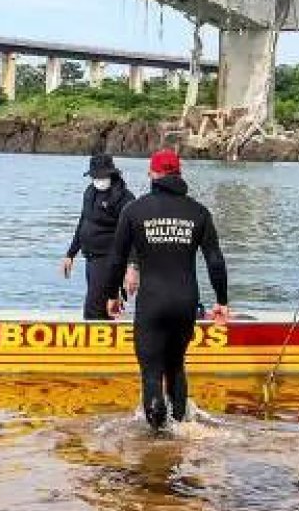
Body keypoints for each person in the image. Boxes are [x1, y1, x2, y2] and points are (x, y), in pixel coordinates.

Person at [103, 149, 228, 432]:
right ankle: (181, 430)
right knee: (175, 366)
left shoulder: (134, 210)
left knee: (151, 373)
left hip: (152, 302)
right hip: (185, 302)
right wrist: (222, 301)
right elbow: (216, 261)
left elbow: (116, 258)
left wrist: (112, 295)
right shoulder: (199, 212)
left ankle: (157, 435)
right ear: (179, 174)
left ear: (152, 174)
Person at [61, 153, 136, 320]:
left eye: (101, 176)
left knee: (94, 308)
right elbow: (83, 222)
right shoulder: (90, 192)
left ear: (112, 173)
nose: (98, 179)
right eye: (95, 176)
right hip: (91, 257)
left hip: (109, 259)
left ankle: (96, 340)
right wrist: (71, 253)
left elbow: (133, 235)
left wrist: (131, 266)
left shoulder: (125, 198)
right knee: (99, 304)